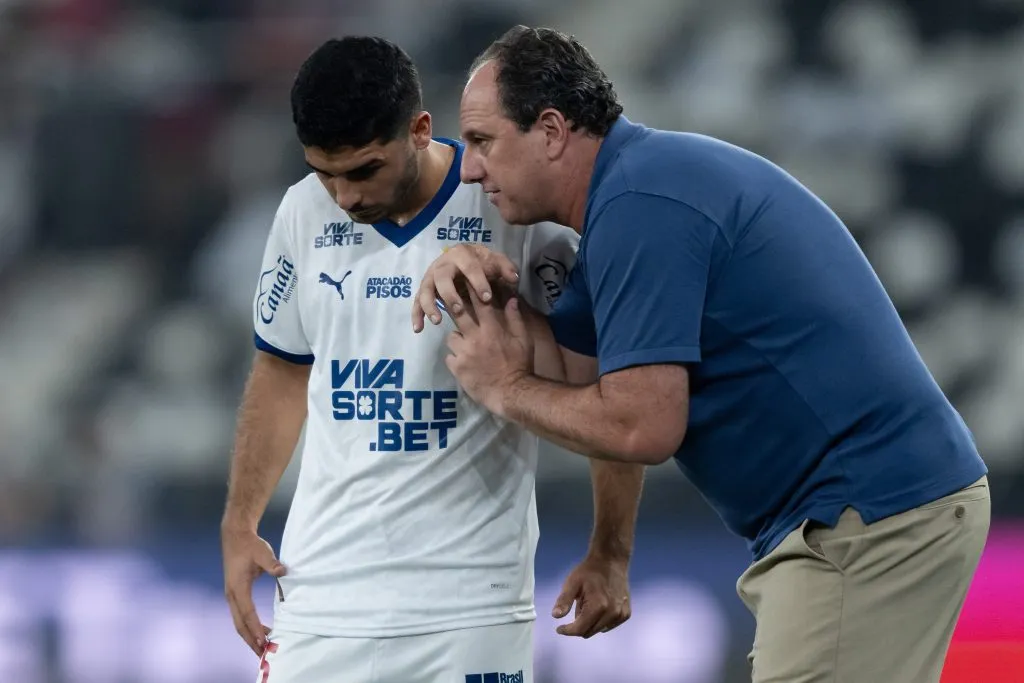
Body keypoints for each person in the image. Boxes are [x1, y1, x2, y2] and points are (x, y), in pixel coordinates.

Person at [412, 25, 991, 683]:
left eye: (484, 140)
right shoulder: (634, 194)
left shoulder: (638, 206)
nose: (469, 165)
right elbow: (585, 376)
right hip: (871, 508)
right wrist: (471, 276)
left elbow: (640, 423)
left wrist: (504, 387)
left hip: (865, 515)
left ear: (549, 130)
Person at [220, 36, 644, 683]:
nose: (344, 197)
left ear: (420, 129)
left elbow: (603, 390)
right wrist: (240, 519)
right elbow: (281, 367)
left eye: (363, 170)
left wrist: (611, 549)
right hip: (321, 598)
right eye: (323, 171)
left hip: (471, 607)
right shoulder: (302, 214)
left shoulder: (517, 210)